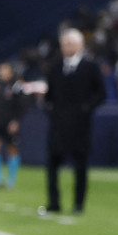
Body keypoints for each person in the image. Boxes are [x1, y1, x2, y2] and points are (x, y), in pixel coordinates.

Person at [41, 27, 106, 214]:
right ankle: (54, 203)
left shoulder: (90, 67)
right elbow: (49, 94)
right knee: (52, 164)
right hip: (58, 124)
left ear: (80, 45)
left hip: (80, 126)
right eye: (65, 43)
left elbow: (100, 94)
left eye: (71, 43)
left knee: (80, 165)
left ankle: (78, 204)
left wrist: (86, 109)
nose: (67, 46)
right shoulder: (55, 67)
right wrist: (50, 109)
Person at [0, 62, 26, 190]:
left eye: (3, 70)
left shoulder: (17, 86)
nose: (0, 72)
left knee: (12, 150)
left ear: (10, 71)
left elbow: (22, 105)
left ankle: (11, 181)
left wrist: (16, 121)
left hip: (10, 123)